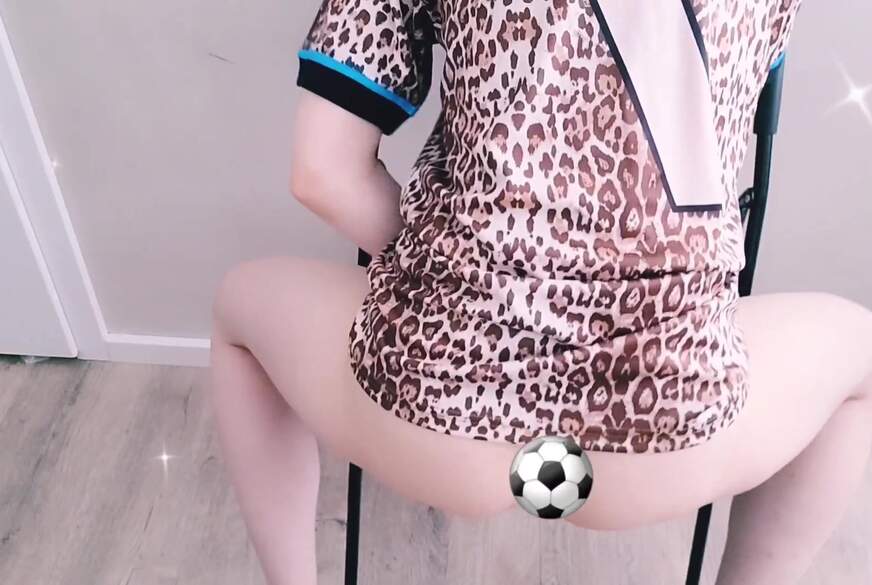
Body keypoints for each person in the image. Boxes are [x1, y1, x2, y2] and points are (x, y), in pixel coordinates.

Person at [207, 0, 872, 583]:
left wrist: (446, 276)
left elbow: (322, 173)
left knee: (239, 309)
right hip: (667, 422)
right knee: (861, 359)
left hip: (439, 411)